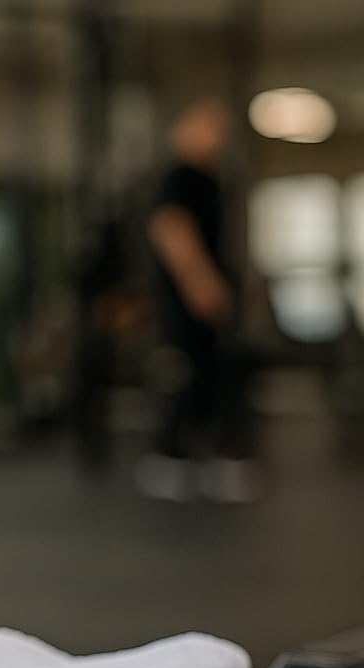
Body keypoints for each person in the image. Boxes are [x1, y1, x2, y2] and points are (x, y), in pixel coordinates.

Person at [138, 98, 259, 502]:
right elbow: (171, 232)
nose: (215, 136)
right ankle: (170, 458)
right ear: (183, 130)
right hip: (187, 302)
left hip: (201, 300)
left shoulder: (211, 179)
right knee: (189, 376)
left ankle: (203, 459)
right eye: (207, 126)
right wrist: (203, 286)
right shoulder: (181, 178)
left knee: (211, 377)